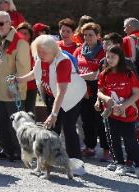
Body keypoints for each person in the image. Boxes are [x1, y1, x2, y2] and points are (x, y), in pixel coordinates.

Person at [13, 34, 88, 175]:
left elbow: (62, 92)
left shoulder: (63, 62)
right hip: (54, 95)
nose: (40, 54)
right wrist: (18, 80)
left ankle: (78, 165)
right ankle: (50, 159)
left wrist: (54, 114)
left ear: (53, 50)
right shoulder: (41, 59)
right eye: (38, 51)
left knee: (69, 128)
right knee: (52, 128)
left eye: (44, 52)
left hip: (71, 97)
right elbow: (34, 73)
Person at [0, 10, 31, 162]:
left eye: (1, 23)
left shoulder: (20, 42)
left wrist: (14, 89)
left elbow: (23, 70)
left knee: (16, 124)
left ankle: (19, 151)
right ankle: (6, 149)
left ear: (10, 23)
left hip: (12, 92)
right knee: (1, 122)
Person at [97, 45, 139, 178]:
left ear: (120, 57)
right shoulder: (104, 74)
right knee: (114, 139)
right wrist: (105, 98)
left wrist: (124, 106)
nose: (110, 59)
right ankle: (119, 163)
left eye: (113, 57)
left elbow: (136, 94)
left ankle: (138, 166)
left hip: (128, 113)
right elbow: (100, 92)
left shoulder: (129, 73)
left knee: (130, 140)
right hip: (111, 114)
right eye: (108, 57)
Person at [75, 22, 106, 159]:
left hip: (98, 88)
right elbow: (73, 67)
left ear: (98, 36)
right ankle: (90, 147)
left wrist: (78, 76)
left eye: (90, 35)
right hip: (82, 89)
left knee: (100, 120)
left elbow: (97, 74)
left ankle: (106, 150)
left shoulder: (103, 52)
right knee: (86, 120)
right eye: (85, 35)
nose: (87, 37)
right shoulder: (79, 50)